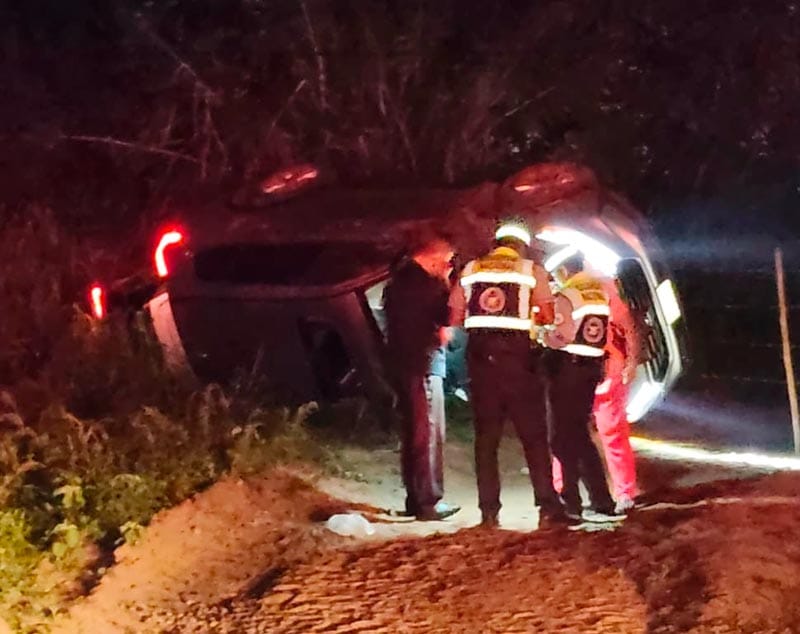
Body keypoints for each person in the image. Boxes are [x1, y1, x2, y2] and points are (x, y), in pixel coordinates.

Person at [456, 219, 566, 528]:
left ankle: (489, 513)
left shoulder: (471, 269)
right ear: (521, 245)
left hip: (480, 362)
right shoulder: (531, 271)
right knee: (533, 437)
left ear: (497, 242)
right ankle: (547, 507)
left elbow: (454, 313)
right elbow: (546, 315)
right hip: (519, 363)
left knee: (486, 440)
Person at [383, 236, 461, 521]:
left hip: (404, 364)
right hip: (423, 364)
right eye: (446, 261)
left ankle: (416, 499)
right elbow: (448, 318)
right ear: (431, 259)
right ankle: (428, 502)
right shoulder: (428, 285)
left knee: (414, 434)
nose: (449, 266)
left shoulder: (397, 282)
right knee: (427, 434)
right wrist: (448, 284)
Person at [543, 256, 621, 520]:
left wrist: (540, 334)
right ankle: (602, 500)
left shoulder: (568, 295)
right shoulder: (598, 294)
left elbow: (561, 335)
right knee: (580, 436)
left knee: (561, 439)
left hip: (569, 370)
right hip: (591, 369)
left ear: (564, 270)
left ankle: (571, 501)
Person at [593, 275, 641, 513]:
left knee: (566, 436)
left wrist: (631, 362)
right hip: (603, 370)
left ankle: (624, 492)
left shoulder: (571, 291)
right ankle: (624, 492)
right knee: (610, 434)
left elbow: (627, 327)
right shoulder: (604, 288)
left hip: (600, 370)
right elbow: (628, 327)